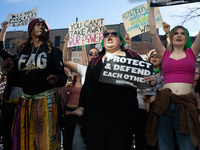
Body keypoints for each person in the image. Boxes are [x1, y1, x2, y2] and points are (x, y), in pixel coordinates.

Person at [66, 28, 157, 150]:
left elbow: (145, 77)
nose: (109, 36)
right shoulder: (95, 62)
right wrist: (81, 108)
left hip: (124, 118)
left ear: (120, 42)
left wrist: (152, 81)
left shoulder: (132, 56)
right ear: (103, 41)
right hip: (96, 117)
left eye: (114, 34)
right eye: (106, 35)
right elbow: (87, 87)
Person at [0, 19, 67, 150]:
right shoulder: (21, 54)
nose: (41, 26)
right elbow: (16, 81)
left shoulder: (54, 52)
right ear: (31, 31)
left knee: (45, 142)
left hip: (46, 101)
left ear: (48, 32)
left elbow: (63, 78)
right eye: (38, 24)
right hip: (25, 102)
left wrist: (56, 79)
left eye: (44, 26)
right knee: (25, 141)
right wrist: (10, 70)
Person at [146, 0, 200, 149]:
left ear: (187, 38)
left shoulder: (192, 53)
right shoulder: (164, 54)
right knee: (165, 146)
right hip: (164, 104)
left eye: (183, 33)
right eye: (176, 32)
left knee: (187, 146)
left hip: (186, 105)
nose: (179, 35)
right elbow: (152, 32)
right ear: (171, 37)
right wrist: (151, 7)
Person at [63, 33, 99, 150]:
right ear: (88, 57)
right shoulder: (85, 69)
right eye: (90, 54)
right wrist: (67, 44)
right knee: (77, 144)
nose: (93, 56)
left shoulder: (105, 68)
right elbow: (66, 61)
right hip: (82, 112)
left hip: (98, 112)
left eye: (96, 54)